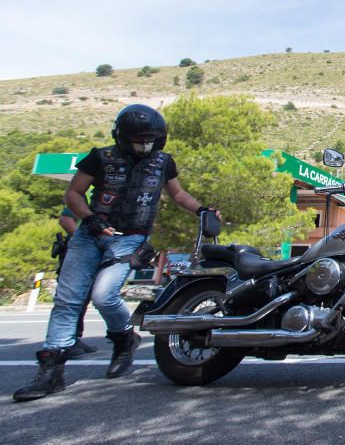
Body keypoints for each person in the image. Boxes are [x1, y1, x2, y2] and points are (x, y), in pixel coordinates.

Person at [13, 104, 219, 402]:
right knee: (68, 299)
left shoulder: (164, 163)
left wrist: (201, 210)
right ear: (123, 136)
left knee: (104, 295)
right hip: (89, 236)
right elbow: (73, 193)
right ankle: (51, 371)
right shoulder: (99, 157)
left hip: (130, 239)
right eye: (139, 138)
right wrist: (88, 217)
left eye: (150, 138)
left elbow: (177, 194)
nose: (144, 144)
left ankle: (124, 336)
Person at [52, 207, 97, 359]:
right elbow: (65, 220)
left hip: (90, 252)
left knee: (84, 297)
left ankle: (74, 338)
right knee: (70, 297)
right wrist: (86, 242)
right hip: (78, 252)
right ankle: (61, 345)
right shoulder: (87, 192)